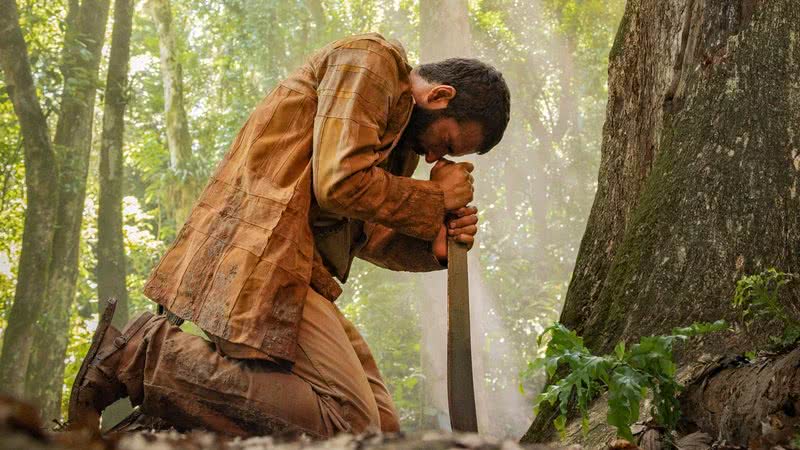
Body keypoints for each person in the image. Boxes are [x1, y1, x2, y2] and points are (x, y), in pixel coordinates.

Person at [68, 33, 510, 438]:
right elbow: (338, 184)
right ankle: (143, 356)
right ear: (439, 95)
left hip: (297, 275)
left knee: (383, 434)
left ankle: (178, 405)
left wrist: (429, 248)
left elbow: (363, 234)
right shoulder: (372, 62)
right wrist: (435, 198)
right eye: (446, 143)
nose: (435, 156)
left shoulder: (398, 143)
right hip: (259, 257)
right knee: (350, 429)